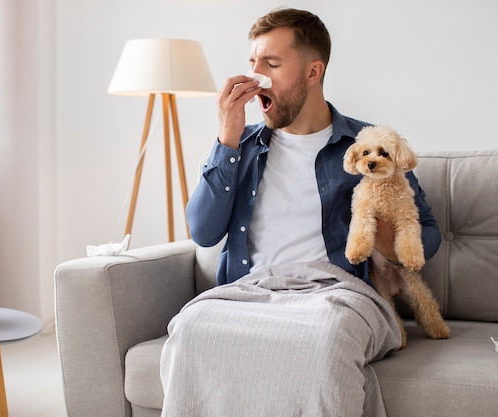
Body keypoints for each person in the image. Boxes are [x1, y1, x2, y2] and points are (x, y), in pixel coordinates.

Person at [160, 7, 441, 417]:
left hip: (336, 294)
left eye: (271, 63)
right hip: (249, 292)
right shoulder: (240, 146)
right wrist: (227, 139)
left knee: (327, 338)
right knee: (189, 328)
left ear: (313, 72)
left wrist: (381, 233)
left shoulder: (367, 147)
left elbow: (428, 235)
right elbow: (202, 231)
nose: (255, 76)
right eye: (252, 62)